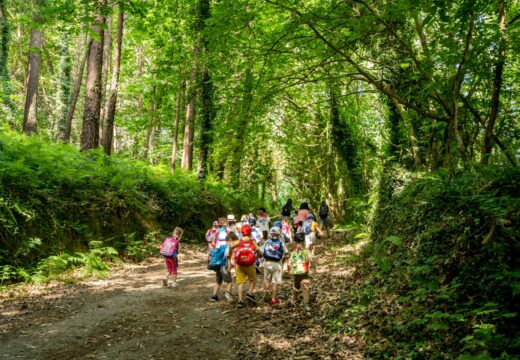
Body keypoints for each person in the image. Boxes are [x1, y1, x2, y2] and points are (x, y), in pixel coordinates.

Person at [228, 224, 261, 308]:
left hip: (239, 264)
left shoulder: (239, 241)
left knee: (240, 282)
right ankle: (249, 293)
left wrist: (229, 254)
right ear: (250, 233)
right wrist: (258, 256)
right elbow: (258, 252)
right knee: (253, 279)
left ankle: (240, 301)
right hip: (250, 264)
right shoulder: (252, 242)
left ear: (241, 233)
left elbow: (231, 246)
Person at [262, 227, 288, 305]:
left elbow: (261, 252)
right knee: (275, 282)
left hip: (267, 263)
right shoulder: (281, 243)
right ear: (279, 234)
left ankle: (266, 291)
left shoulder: (267, 242)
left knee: (266, 279)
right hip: (277, 264)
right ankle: (273, 299)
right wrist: (284, 259)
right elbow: (286, 253)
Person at [288, 232, 312, 309]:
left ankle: (294, 300)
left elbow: (290, 263)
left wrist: (289, 270)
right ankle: (306, 303)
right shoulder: (306, 251)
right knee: (305, 287)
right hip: (304, 272)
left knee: (296, 286)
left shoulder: (293, 252)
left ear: (295, 242)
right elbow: (311, 259)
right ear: (303, 241)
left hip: (295, 272)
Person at [209, 232, 235, 303]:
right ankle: (228, 293)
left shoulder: (222, 246)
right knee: (229, 281)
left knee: (218, 281)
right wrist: (229, 269)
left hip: (218, 266)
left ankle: (214, 296)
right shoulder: (230, 248)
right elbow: (229, 259)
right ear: (231, 240)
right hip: (224, 266)